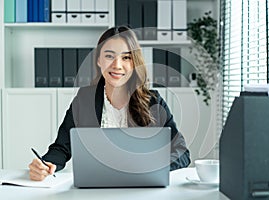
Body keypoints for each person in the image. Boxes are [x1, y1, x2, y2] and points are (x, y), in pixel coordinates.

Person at [28, 26, 191, 181]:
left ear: (134, 62)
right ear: (99, 60)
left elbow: (181, 152)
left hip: (142, 187)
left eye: (126, 57)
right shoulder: (84, 99)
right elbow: (61, 147)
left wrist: (153, 167)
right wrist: (46, 164)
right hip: (95, 187)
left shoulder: (152, 100)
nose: (117, 65)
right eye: (109, 56)